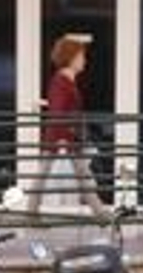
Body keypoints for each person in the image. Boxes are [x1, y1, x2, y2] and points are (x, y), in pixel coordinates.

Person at [26, 34, 108, 219]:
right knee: (47, 173)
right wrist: (64, 138)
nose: (84, 60)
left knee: (82, 175)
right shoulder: (61, 81)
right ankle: (31, 213)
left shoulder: (65, 80)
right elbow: (58, 111)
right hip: (63, 136)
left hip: (68, 136)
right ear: (71, 58)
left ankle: (100, 213)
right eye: (81, 56)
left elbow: (60, 107)